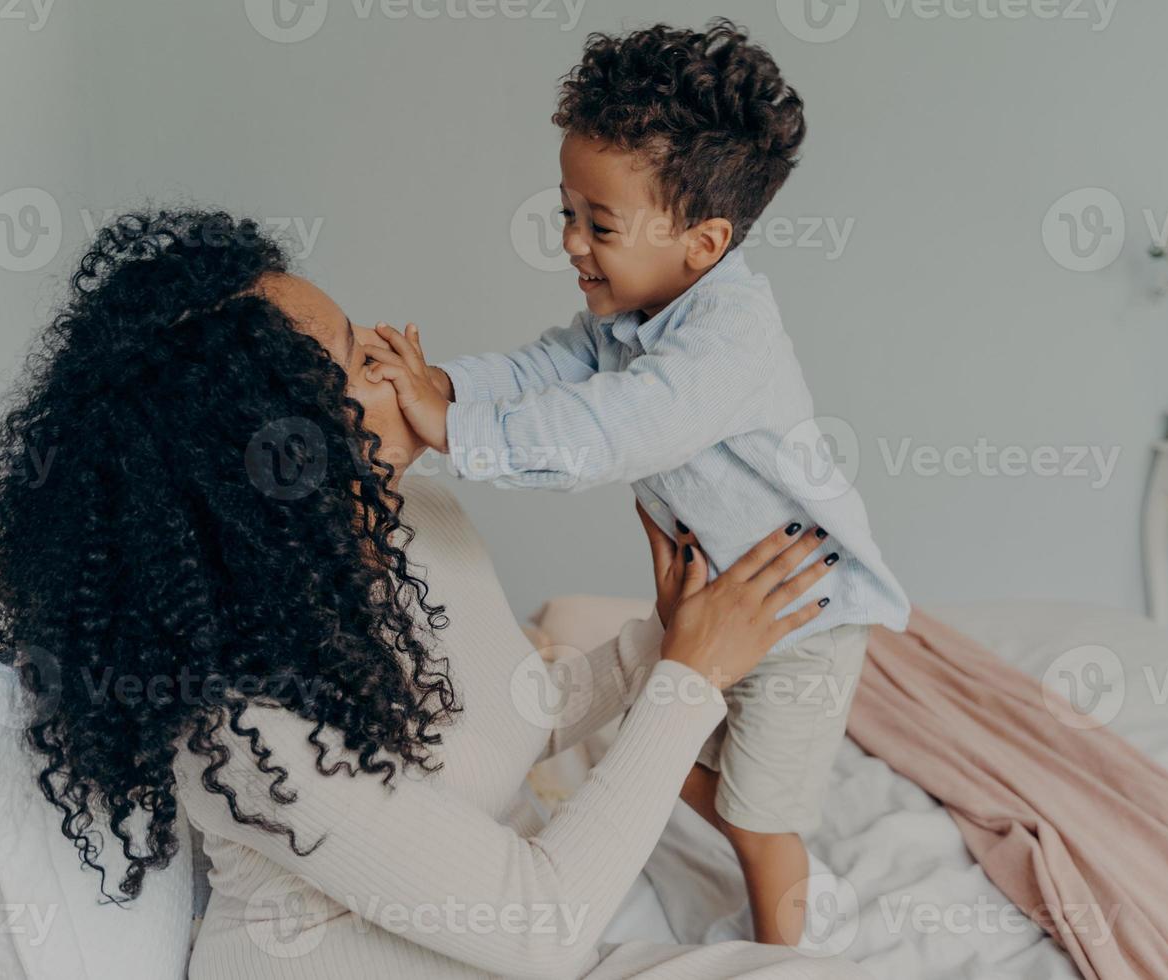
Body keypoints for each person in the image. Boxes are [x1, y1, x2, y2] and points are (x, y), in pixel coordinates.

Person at [0, 210, 863, 978]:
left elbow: (515, 716)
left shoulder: (414, 513)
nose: (395, 359)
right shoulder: (242, 715)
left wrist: (662, 641)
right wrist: (688, 683)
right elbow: (539, 927)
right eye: (354, 362)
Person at [363, 20, 909, 947]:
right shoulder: (633, 308)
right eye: (567, 213)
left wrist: (452, 432)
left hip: (796, 621)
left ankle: (792, 955)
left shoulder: (722, 344)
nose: (572, 243)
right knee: (678, 756)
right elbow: (542, 370)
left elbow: (601, 432)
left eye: (598, 225)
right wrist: (447, 388)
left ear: (703, 242)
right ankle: (771, 855)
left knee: (758, 821)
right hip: (719, 601)